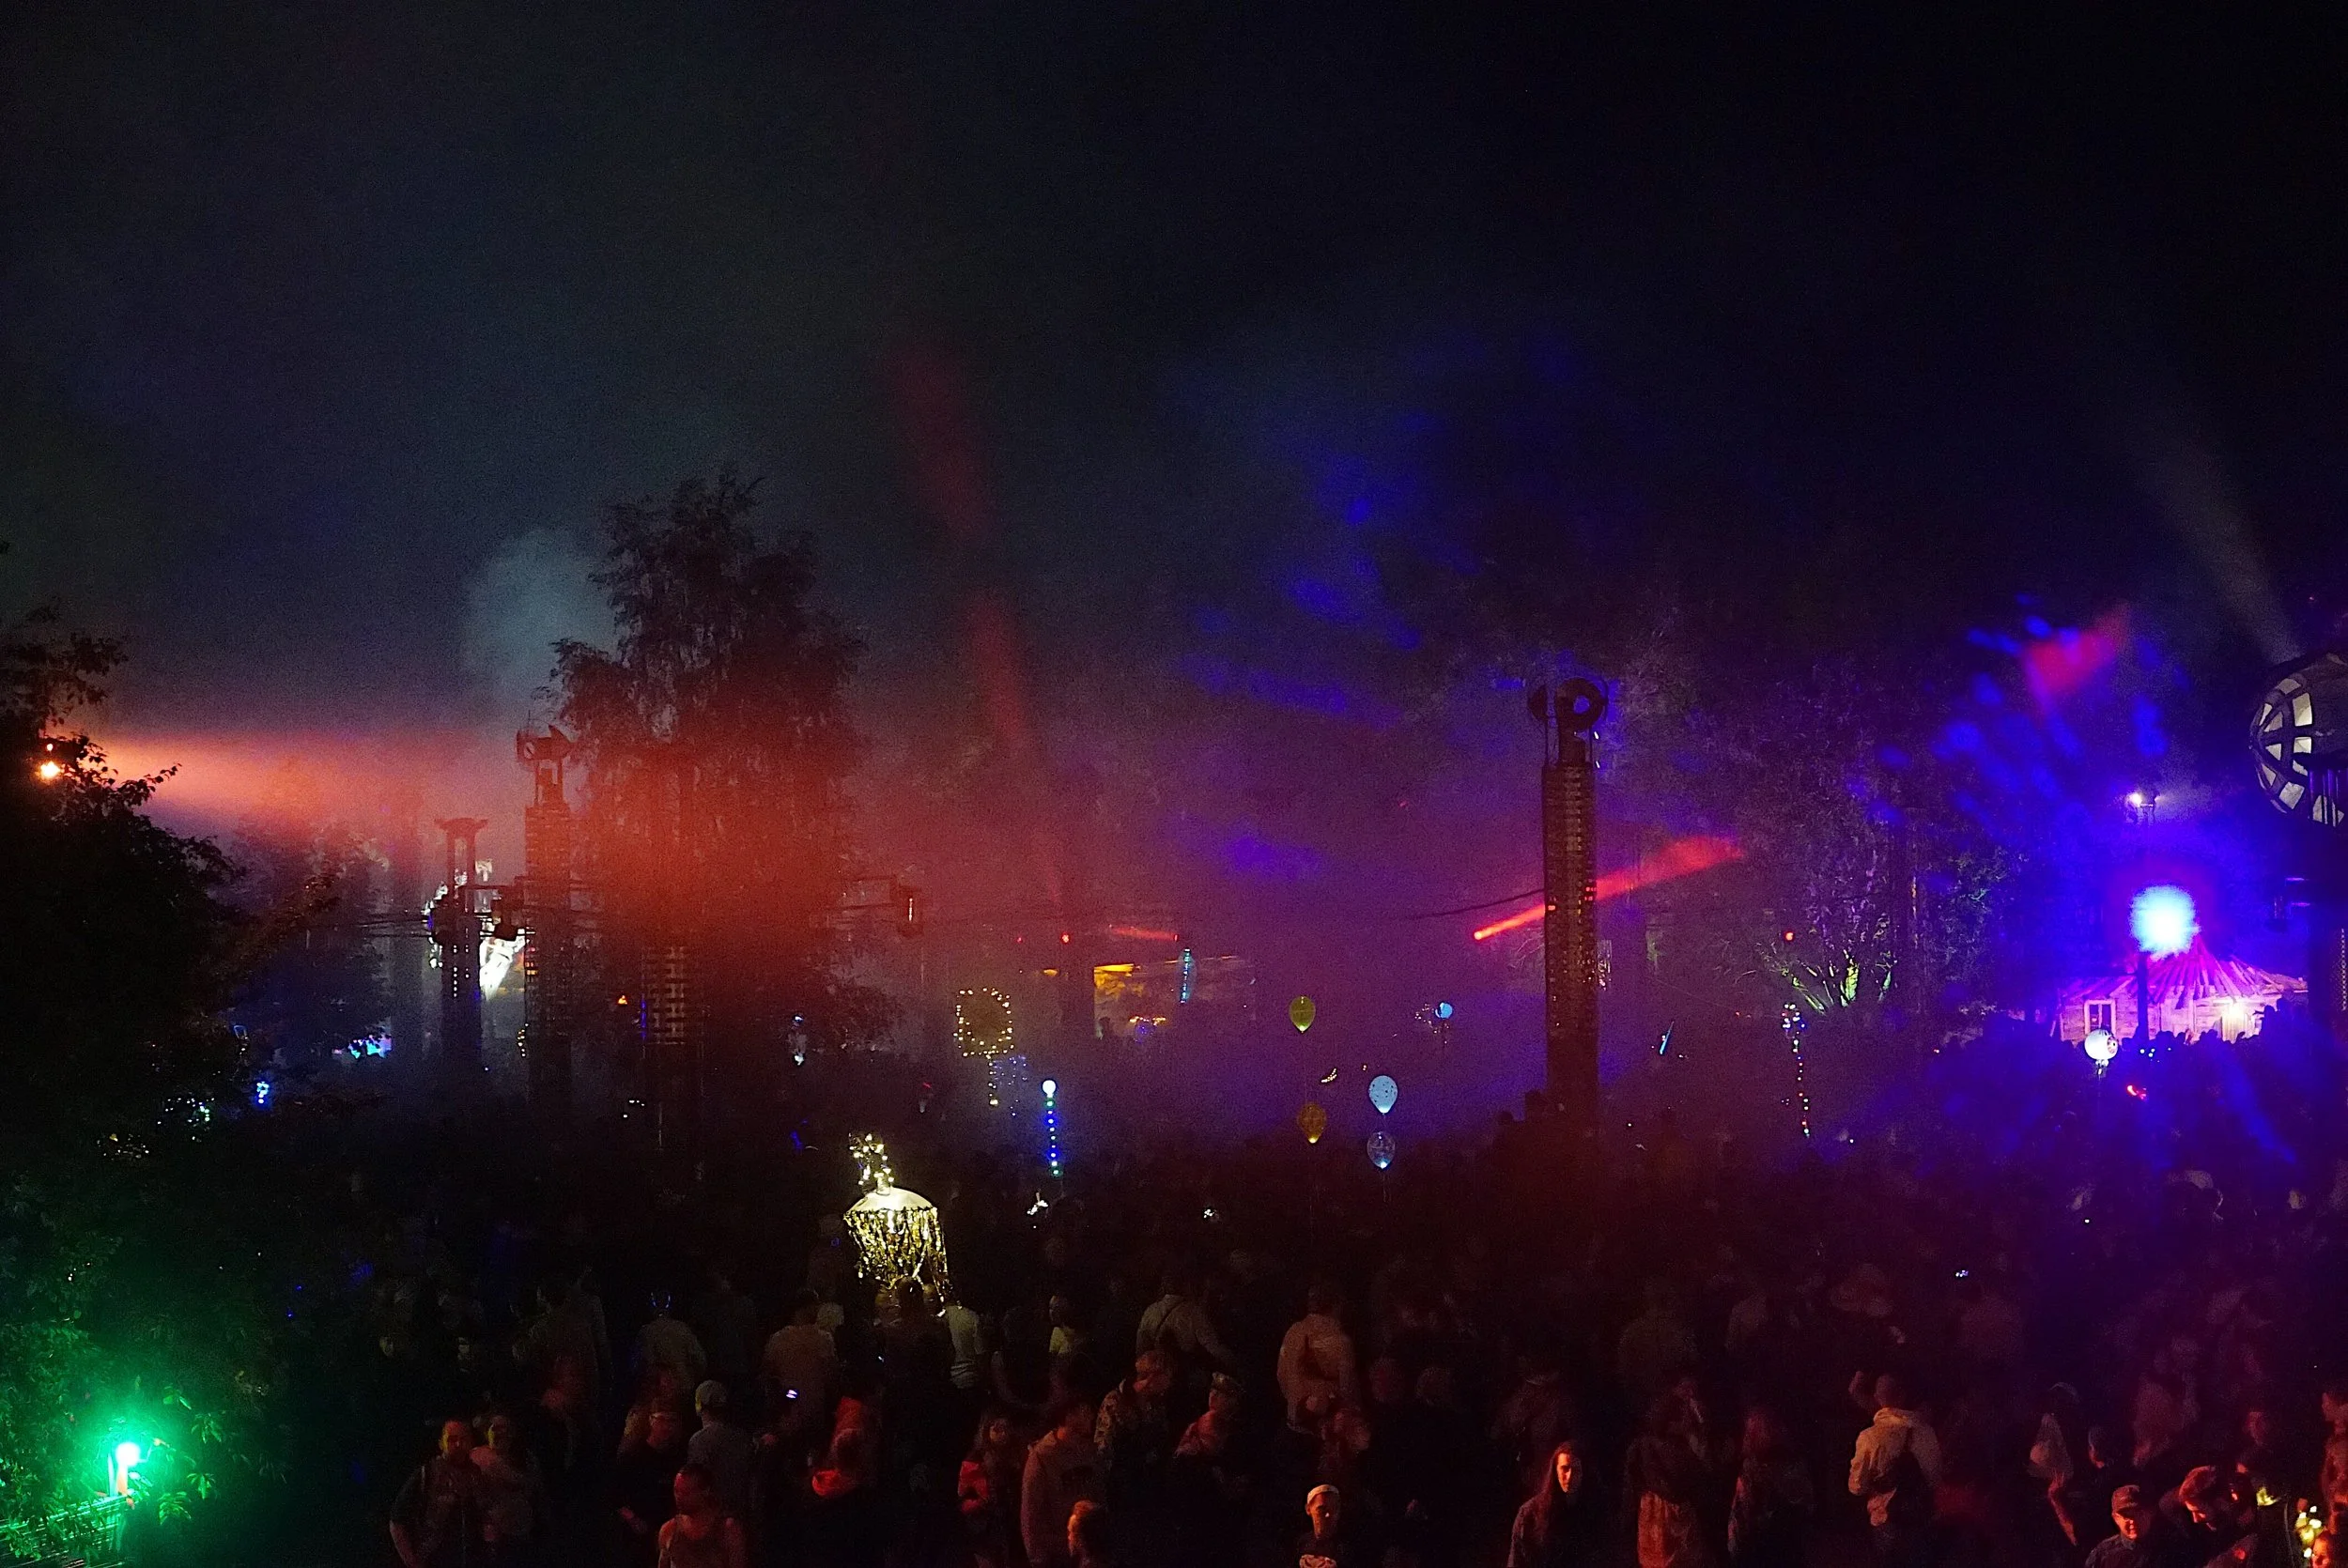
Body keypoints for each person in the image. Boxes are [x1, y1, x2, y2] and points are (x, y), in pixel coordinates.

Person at [1847, 1374, 1940, 1565]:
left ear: (1876, 1398)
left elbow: (1857, 1487)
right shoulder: (1926, 1431)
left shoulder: (1869, 1437)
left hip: (1885, 1518)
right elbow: (1935, 1479)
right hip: (1919, 1518)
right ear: (1903, 1396)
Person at [1022, 1396, 1102, 1568]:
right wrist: (1037, 1558)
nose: (1092, 1416)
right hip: (1059, 1553)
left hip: (1089, 1549)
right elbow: (1031, 1512)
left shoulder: (1089, 1449)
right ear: (1069, 1416)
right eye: (1085, 1411)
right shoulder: (1043, 1456)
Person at [392, 1419, 483, 1568]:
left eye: (463, 1439)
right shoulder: (426, 1474)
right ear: (441, 1444)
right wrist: (411, 1561)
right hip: (434, 1560)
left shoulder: (476, 1474)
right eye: (452, 1439)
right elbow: (396, 1520)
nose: (458, 1444)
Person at [1727, 1407, 1812, 1567]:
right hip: (1788, 1545)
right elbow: (1807, 1504)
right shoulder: (1794, 1463)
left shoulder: (1752, 1469)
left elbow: (1741, 1515)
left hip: (1760, 1546)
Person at [1094, 1350, 1176, 1512]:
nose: (1170, 1382)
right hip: (1123, 1485)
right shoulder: (1115, 1402)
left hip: (1149, 1481)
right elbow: (1103, 1446)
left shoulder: (1156, 1402)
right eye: (1167, 1376)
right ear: (1153, 1377)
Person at [1507, 1439, 1603, 1568]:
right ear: (1555, 1470)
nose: (1569, 1476)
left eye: (1576, 1470)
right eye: (1565, 1468)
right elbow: (1517, 1561)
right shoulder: (1530, 1514)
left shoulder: (1595, 1513)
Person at [1278, 1283, 1362, 1432]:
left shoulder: (1293, 1331)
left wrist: (1295, 1400)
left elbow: (1281, 1376)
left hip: (1294, 1423)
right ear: (1338, 1304)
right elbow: (1348, 1392)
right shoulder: (1341, 1342)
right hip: (1325, 1431)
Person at [612, 1406, 688, 1567]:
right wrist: (633, 1519)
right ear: (651, 1420)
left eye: (671, 1420)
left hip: (666, 1531)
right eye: (661, 1419)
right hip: (635, 1535)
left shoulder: (676, 1457)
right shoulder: (632, 1455)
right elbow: (614, 1493)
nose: (666, 1426)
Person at [471, 1413, 549, 1565]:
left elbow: (538, 1492)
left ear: (512, 1433)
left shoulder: (527, 1460)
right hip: (491, 1536)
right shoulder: (477, 1457)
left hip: (522, 1532)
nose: (498, 1432)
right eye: (494, 1428)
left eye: (503, 1428)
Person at [959, 1408, 1027, 1568]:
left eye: (1006, 1428)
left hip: (1015, 1526)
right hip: (987, 1532)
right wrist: (982, 1503)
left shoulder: (1018, 1455)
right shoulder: (974, 1461)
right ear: (986, 1431)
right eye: (997, 1429)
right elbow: (962, 1502)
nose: (1003, 1434)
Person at [763, 1290, 840, 1417]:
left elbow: (768, 1372)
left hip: (788, 1408)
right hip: (814, 1408)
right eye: (816, 1305)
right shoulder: (824, 1340)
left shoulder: (778, 1339)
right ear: (807, 1307)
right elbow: (831, 1375)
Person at [656, 1463, 748, 1568]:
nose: (679, 1497)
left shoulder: (727, 1530)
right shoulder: (669, 1530)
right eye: (676, 1491)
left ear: (705, 1491)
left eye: (686, 1492)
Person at [686, 1380, 754, 1520]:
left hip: (712, 1518)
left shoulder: (699, 1441)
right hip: (741, 1516)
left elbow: (696, 1484)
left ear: (699, 1405)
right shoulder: (742, 1438)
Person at [637, 1293, 708, 1391]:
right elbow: (700, 1360)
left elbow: (638, 1365)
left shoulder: (646, 1332)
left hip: (657, 1390)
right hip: (681, 1387)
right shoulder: (683, 1329)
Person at [2084, 1485, 2164, 1568]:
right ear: (2116, 1518)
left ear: (2150, 1513)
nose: (2133, 1521)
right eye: (2126, 1516)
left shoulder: (2168, 1549)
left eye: (2139, 1514)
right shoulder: (2102, 1555)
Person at [1297, 1483, 1363, 1568]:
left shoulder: (1349, 1549)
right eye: (1321, 1509)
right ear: (1308, 1509)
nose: (1328, 1514)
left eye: (1333, 1509)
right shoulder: (1302, 1543)